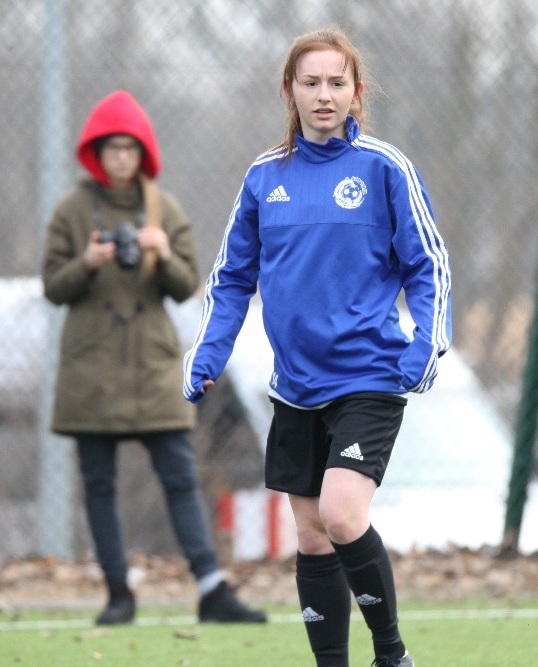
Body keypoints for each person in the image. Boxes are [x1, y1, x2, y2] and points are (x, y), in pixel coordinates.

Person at [183, 28, 451, 667]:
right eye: (311, 83)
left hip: (369, 377)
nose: (324, 94)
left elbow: (429, 265)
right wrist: (208, 353)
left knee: (341, 514)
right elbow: (231, 279)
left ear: (357, 91)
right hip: (295, 385)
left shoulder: (385, 167)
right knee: (310, 535)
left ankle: (392, 656)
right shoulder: (264, 177)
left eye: (337, 82)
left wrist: (426, 345)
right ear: (289, 91)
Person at [41, 90, 267, 626]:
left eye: (130, 148)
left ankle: (212, 590)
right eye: (112, 148)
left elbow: (187, 284)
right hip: (92, 368)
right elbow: (53, 286)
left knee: (181, 476)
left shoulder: (164, 209)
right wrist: (88, 261)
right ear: (96, 153)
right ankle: (118, 594)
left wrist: (161, 251)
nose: (121, 158)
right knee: (98, 485)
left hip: (154, 365)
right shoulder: (72, 210)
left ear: (143, 153)